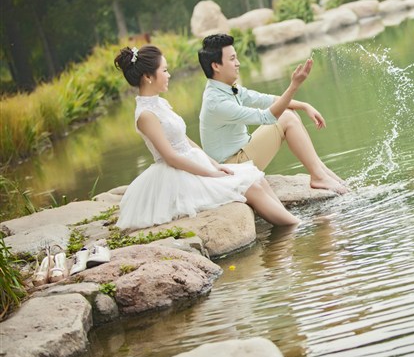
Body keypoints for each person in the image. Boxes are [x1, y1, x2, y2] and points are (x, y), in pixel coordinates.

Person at [113, 45, 300, 230]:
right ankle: (296, 226)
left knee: (256, 178)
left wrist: (214, 165)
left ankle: (293, 222)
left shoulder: (159, 103)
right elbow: (170, 157)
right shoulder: (145, 115)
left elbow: (184, 140)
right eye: (165, 70)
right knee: (252, 188)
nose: (169, 75)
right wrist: (210, 174)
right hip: (178, 175)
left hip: (194, 162)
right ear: (148, 76)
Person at [197, 34, 348, 194]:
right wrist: (294, 85)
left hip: (241, 155)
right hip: (231, 168)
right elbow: (266, 117)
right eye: (232, 59)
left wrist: (304, 106)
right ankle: (318, 176)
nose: (238, 63)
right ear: (216, 66)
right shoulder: (216, 102)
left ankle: (322, 172)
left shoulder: (226, 88)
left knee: (288, 112)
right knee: (287, 117)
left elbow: (268, 100)